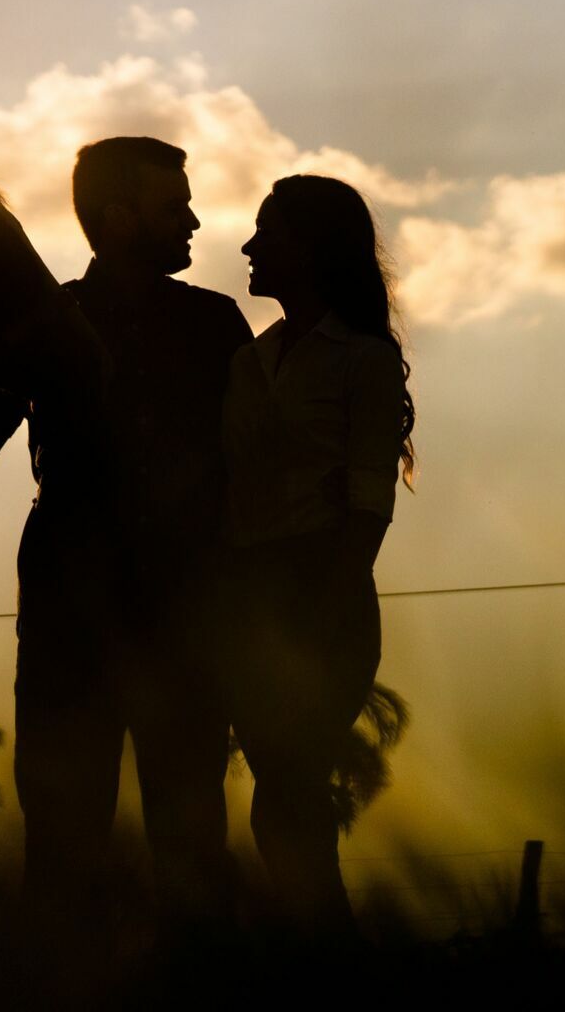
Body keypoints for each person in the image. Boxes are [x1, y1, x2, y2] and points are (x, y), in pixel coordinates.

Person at [0, 136, 252, 943]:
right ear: (119, 219)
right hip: (122, 620)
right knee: (102, 837)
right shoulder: (98, 326)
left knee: (146, 836)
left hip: (105, 617)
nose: (193, 220)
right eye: (173, 205)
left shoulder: (201, 324)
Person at [218, 174, 415, 940]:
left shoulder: (360, 360)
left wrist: (322, 607)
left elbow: (370, 501)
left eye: (269, 232)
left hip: (321, 594)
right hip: (249, 594)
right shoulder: (248, 362)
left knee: (290, 794)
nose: (250, 245)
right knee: (282, 794)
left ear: (312, 249)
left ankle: (325, 948)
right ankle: (323, 947)